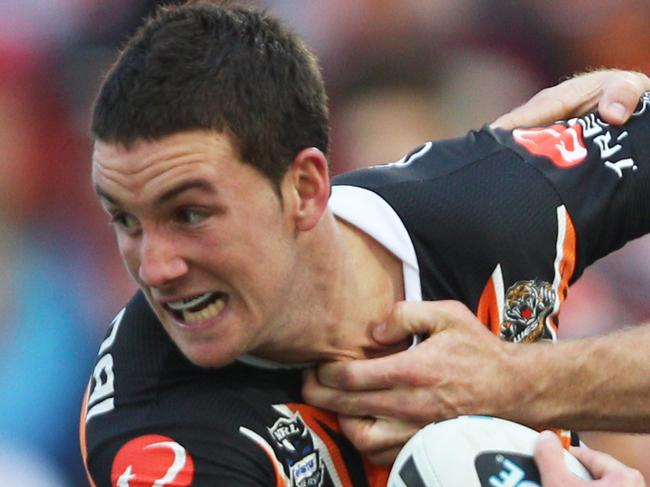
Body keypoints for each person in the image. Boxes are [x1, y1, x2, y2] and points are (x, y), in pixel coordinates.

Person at [80, 2, 650, 485]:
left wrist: (517, 381)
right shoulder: (157, 434)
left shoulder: (493, 199)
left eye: (190, 213)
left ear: (304, 188)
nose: (153, 268)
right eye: (124, 220)